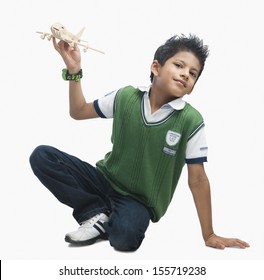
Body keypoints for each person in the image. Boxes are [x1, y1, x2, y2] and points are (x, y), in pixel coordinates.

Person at [30, 34, 249, 251]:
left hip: (137, 201)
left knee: (125, 240)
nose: (185, 74)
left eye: (193, 74)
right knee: (42, 156)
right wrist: (74, 72)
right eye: (179, 65)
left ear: (192, 87)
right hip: (103, 181)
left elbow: (198, 180)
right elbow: (78, 111)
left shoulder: (191, 121)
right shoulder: (126, 97)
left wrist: (208, 234)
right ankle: (95, 212)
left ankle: (105, 219)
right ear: (156, 67)